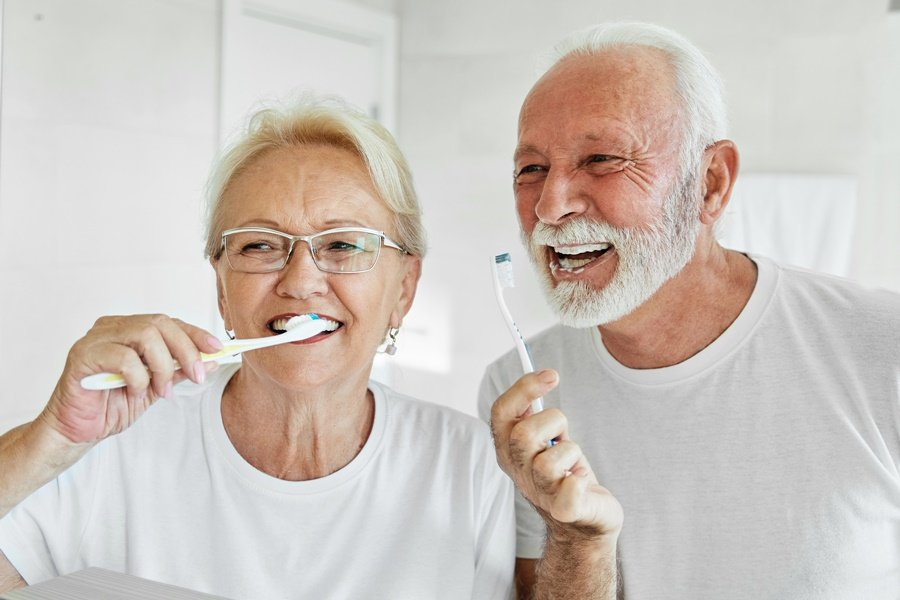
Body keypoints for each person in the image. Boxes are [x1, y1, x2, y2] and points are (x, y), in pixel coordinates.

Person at [0, 96, 515, 599]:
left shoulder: (469, 465)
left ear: (403, 290)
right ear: (222, 291)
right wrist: (50, 440)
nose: (301, 281)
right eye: (260, 245)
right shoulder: (114, 446)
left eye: (342, 244)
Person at [481, 21, 900, 600]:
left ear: (710, 183)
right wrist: (576, 541)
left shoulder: (884, 350)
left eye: (601, 158)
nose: (550, 206)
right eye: (531, 169)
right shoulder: (521, 393)